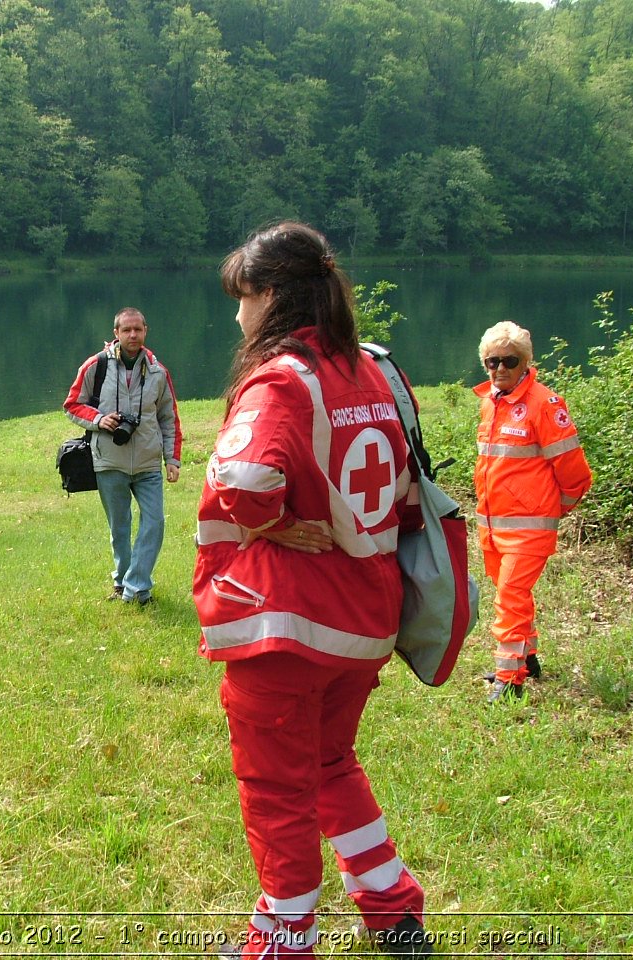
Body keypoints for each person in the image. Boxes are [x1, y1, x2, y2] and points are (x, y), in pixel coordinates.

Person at [193, 221, 431, 957]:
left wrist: (269, 523)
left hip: (286, 627)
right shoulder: (374, 371)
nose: (236, 315)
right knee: (331, 763)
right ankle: (392, 908)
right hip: (364, 620)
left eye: (243, 298)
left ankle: (284, 938)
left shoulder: (279, 379)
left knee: (276, 789)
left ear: (271, 297)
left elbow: (243, 478)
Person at [474, 321, 592, 703]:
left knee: (509, 597)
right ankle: (527, 657)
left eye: (509, 360)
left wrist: (552, 512)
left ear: (526, 362)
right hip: (493, 527)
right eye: (493, 361)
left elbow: (575, 475)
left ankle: (510, 680)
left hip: (529, 529)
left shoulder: (545, 404)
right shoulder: (490, 403)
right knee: (512, 594)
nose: (501, 369)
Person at [64, 307, 182, 604]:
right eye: (126, 330)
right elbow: (72, 405)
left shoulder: (158, 371)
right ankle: (123, 581)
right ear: (116, 333)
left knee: (154, 523)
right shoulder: (96, 365)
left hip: (148, 462)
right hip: (109, 461)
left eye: (138, 329)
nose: (133, 335)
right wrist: (100, 420)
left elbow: (169, 419)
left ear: (146, 331)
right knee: (120, 527)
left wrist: (173, 459)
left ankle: (137, 587)